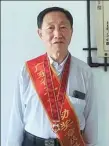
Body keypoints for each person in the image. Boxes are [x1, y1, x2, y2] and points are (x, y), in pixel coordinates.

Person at [6, 7, 98, 146]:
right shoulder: (27, 70)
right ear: (40, 33)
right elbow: (16, 118)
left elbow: (92, 119)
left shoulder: (85, 72)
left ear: (71, 32)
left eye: (63, 27)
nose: (57, 33)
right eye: (50, 28)